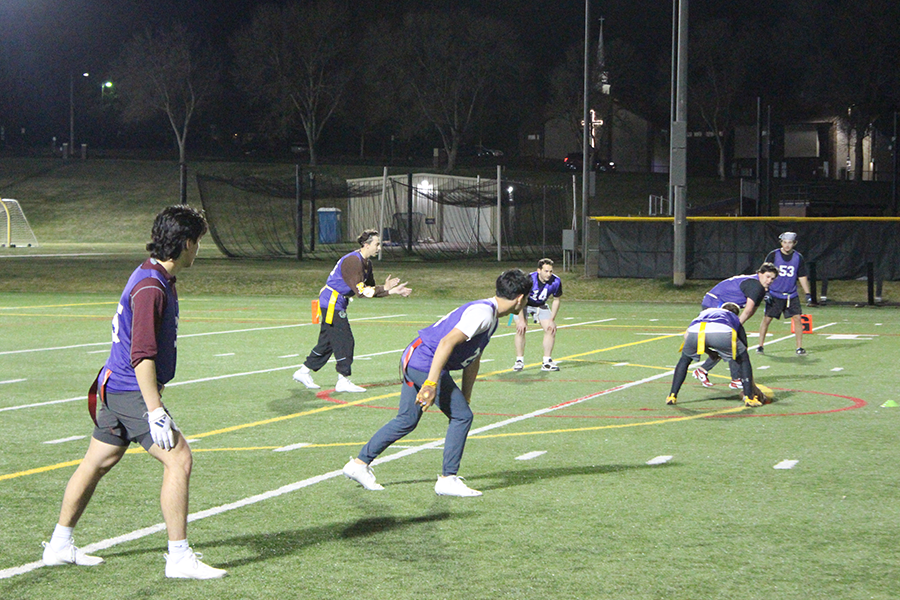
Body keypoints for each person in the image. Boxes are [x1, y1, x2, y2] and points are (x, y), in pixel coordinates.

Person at [41, 206, 226, 579]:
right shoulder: (150, 287)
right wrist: (155, 410)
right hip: (130, 390)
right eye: (198, 243)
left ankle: (60, 544)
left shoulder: (154, 276)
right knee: (180, 460)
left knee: (98, 461)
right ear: (187, 243)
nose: (199, 250)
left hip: (114, 385)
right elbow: (141, 354)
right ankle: (178, 557)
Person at [342, 269, 532, 497]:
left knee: (407, 419)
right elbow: (445, 343)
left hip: (415, 358)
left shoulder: (489, 315)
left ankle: (359, 464)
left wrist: (466, 395)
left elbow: (473, 359)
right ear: (520, 298)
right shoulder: (483, 314)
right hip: (424, 362)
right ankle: (447, 479)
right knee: (462, 416)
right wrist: (431, 384)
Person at [293, 229, 411, 392]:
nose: (379, 248)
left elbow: (369, 290)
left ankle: (303, 371)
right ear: (366, 245)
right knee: (345, 340)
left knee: (327, 341)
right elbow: (362, 292)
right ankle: (343, 379)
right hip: (332, 302)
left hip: (336, 302)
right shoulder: (353, 262)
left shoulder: (367, 263)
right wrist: (384, 288)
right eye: (377, 244)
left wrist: (392, 291)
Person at [692, 262, 778, 390]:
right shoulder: (755, 285)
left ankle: (704, 370)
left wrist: (736, 325)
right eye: (767, 276)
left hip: (723, 308)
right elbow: (748, 310)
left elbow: (752, 310)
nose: (769, 280)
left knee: (737, 341)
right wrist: (734, 326)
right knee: (732, 342)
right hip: (714, 304)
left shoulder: (760, 287)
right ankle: (735, 379)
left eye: (772, 278)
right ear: (759, 274)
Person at [667, 302, 768, 407]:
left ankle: (672, 395)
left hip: (695, 331)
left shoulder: (705, 312)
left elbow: (692, 335)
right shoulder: (733, 317)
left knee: (684, 360)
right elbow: (743, 345)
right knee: (743, 360)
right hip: (722, 331)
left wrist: (710, 352)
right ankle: (749, 397)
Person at [757, 231, 812, 356]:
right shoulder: (773, 255)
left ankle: (799, 347)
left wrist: (807, 293)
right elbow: (763, 273)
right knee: (767, 319)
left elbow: (802, 276)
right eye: (785, 242)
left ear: (794, 243)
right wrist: (765, 291)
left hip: (791, 295)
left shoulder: (798, 257)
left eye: (790, 243)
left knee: (797, 319)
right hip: (775, 294)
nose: (787, 245)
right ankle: (760, 345)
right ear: (781, 243)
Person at [513, 258, 563, 372]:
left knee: (551, 329)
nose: (549, 274)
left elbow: (556, 300)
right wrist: (521, 320)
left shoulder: (556, 281)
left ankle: (546, 361)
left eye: (550, 271)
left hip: (540, 305)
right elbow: (520, 299)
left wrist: (552, 319)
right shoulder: (529, 280)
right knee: (521, 329)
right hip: (524, 304)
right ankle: (519, 360)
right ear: (539, 270)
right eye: (546, 271)